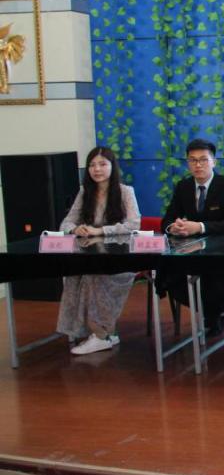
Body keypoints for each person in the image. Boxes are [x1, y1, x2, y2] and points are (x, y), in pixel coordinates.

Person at [56, 146, 141, 355]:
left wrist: (100, 231)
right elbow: (66, 222)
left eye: (102, 164)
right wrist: (76, 229)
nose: (97, 169)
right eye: (92, 165)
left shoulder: (125, 192)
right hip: (91, 257)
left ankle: (100, 335)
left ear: (113, 167)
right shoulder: (85, 192)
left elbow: (134, 225)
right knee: (76, 273)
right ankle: (107, 332)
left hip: (121, 261)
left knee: (93, 276)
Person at [159, 138, 224, 336]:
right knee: (169, 278)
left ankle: (214, 315)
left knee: (210, 276)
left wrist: (199, 227)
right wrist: (174, 227)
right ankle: (218, 312)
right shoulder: (183, 186)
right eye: (193, 160)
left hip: (221, 248)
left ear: (214, 162)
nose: (198, 165)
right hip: (189, 248)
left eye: (203, 160)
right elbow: (167, 220)